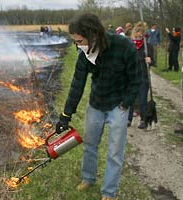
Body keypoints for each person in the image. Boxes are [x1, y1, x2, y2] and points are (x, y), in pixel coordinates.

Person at [55, 13, 141, 200]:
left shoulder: (123, 46)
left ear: (93, 35)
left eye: (79, 40)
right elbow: (77, 84)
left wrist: (125, 103)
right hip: (96, 104)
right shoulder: (85, 54)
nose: (77, 45)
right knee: (90, 145)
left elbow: (137, 78)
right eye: (75, 42)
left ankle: (108, 192)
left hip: (118, 105)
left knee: (115, 152)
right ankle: (88, 178)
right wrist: (65, 115)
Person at [127, 21, 155, 129]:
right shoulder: (130, 45)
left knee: (143, 99)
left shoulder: (148, 47)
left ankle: (143, 119)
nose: (139, 35)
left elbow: (154, 62)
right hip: (131, 76)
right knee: (130, 99)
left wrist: (150, 60)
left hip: (143, 76)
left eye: (141, 33)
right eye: (137, 32)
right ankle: (128, 119)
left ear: (144, 34)